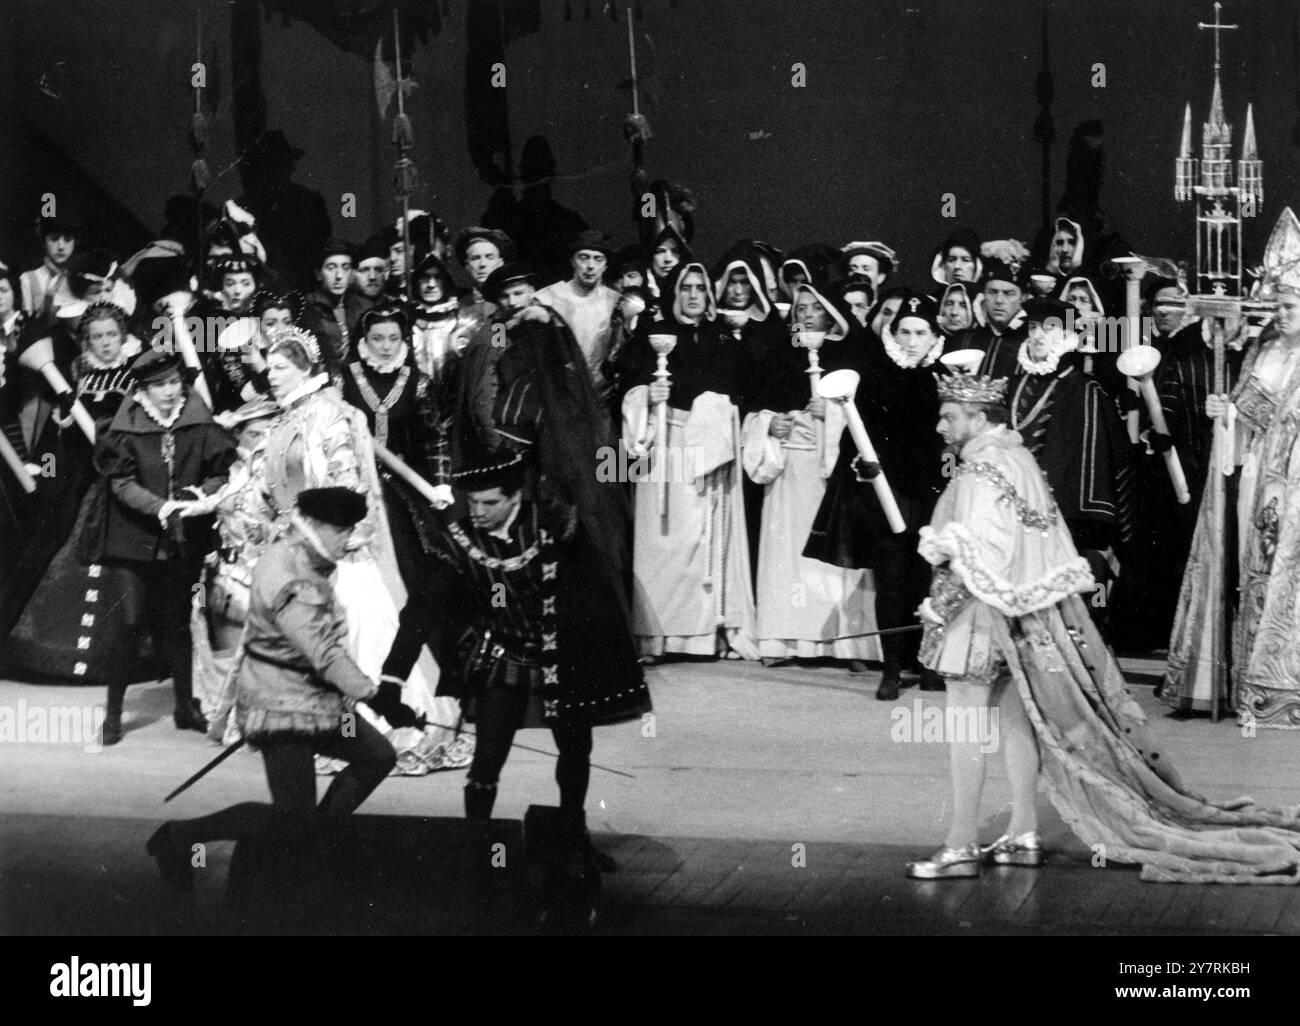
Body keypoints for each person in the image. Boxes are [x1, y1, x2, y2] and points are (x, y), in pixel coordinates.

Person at [906, 372, 1300, 883]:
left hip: (979, 623)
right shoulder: (1017, 457)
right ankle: (1023, 831)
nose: (941, 425)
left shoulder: (981, 468)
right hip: (1023, 620)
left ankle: (960, 844)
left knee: (965, 729)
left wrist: (939, 606)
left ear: (979, 419)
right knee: (1014, 722)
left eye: (950, 415)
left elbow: (983, 555)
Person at [144, 487, 420, 893]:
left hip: (317, 700)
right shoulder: (289, 575)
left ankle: (311, 843)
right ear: (314, 526)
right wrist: (377, 697)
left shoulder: (305, 557)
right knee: (291, 817)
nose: (349, 540)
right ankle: (180, 838)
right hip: (278, 705)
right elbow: (322, 652)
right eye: (342, 531)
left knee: (376, 756)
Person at [388, 452, 649, 867]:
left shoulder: (553, 526)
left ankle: (574, 837)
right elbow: (422, 611)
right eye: (472, 503)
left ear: (514, 498)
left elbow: (592, 596)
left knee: (575, 748)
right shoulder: (458, 539)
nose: (478, 512)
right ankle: (477, 844)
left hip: (563, 656)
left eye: (489, 503)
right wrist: (392, 678)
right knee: (487, 759)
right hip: (503, 654)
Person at [254, 326, 460, 770]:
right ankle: (316, 728)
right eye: (268, 366)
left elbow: (348, 489)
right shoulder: (286, 416)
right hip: (297, 548)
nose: (269, 374)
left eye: (279, 367)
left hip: (334, 551)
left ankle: (366, 730)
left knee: (348, 634)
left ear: (304, 368)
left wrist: (319, 537)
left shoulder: (329, 414)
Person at [1166, 216, 1300, 725]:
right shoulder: (1262, 351)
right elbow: (1243, 425)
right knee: (1249, 567)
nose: (1281, 315)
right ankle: (1239, 674)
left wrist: (1246, 414)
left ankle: (1280, 683)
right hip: (1257, 481)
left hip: (1293, 484)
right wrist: (1228, 417)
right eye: (1278, 307)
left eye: (1290, 306)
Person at [92, 349, 236, 745]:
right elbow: (121, 485)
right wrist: (162, 508)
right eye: (160, 385)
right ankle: (114, 714)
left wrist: (197, 495)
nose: (171, 391)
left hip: (180, 538)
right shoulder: (124, 428)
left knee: (178, 620)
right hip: (131, 538)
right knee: (130, 622)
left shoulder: (199, 421)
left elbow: (221, 471)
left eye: (175, 382)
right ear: (142, 390)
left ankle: (185, 706)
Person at [804, 295, 946, 698]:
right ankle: (891, 668)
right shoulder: (875, 375)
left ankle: (929, 663)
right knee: (892, 581)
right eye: (905, 332)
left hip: (932, 494)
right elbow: (855, 435)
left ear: (934, 336)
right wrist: (862, 467)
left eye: (921, 333)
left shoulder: (942, 376)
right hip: (888, 494)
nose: (912, 340)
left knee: (930, 581)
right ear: (893, 333)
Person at [0, 302, 148, 683]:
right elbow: (56, 441)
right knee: (56, 534)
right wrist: (61, 434)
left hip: (127, 468)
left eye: (111, 335)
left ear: (123, 336)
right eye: (97, 337)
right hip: (82, 473)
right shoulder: (77, 373)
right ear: (87, 340)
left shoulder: (137, 371)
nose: (105, 343)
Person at [620, 262, 760, 660]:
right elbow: (625, 383)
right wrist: (648, 393)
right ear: (673, 293)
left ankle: (701, 635)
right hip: (665, 445)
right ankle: (657, 635)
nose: (694, 295)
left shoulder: (722, 339)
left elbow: (744, 390)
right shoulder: (652, 336)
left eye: (700, 287)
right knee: (665, 542)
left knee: (705, 540)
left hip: (712, 452)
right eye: (686, 288)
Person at [743, 278, 878, 665]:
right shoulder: (777, 357)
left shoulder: (851, 357)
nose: (805, 314)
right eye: (799, 309)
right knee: (788, 558)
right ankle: (784, 641)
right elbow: (753, 409)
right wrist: (770, 423)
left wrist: (833, 413)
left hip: (831, 477)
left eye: (814, 308)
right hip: (789, 472)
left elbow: (869, 415)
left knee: (830, 561)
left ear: (830, 313)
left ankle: (844, 644)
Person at [1006, 298, 1135, 616]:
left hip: (1073, 517)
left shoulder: (1087, 389)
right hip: (1016, 509)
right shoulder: (1014, 384)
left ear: (1067, 335)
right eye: (1033, 328)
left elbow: (1102, 464)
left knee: (1083, 597)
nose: (1037, 336)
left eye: (1048, 328)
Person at [535, 231, 621, 416]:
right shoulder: (548, 297)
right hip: (560, 397)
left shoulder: (616, 302)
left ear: (606, 265)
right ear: (573, 261)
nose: (590, 266)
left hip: (602, 398)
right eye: (584, 258)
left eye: (598, 259)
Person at [301, 240, 367, 373]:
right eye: (331, 268)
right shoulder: (306, 308)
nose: (339, 276)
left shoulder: (362, 306)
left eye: (345, 267)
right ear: (318, 274)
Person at [20, 214, 79, 316]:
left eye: (68, 239)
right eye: (54, 239)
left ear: (74, 243)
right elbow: (27, 323)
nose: (61, 246)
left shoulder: (80, 275)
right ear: (44, 242)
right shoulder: (28, 278)